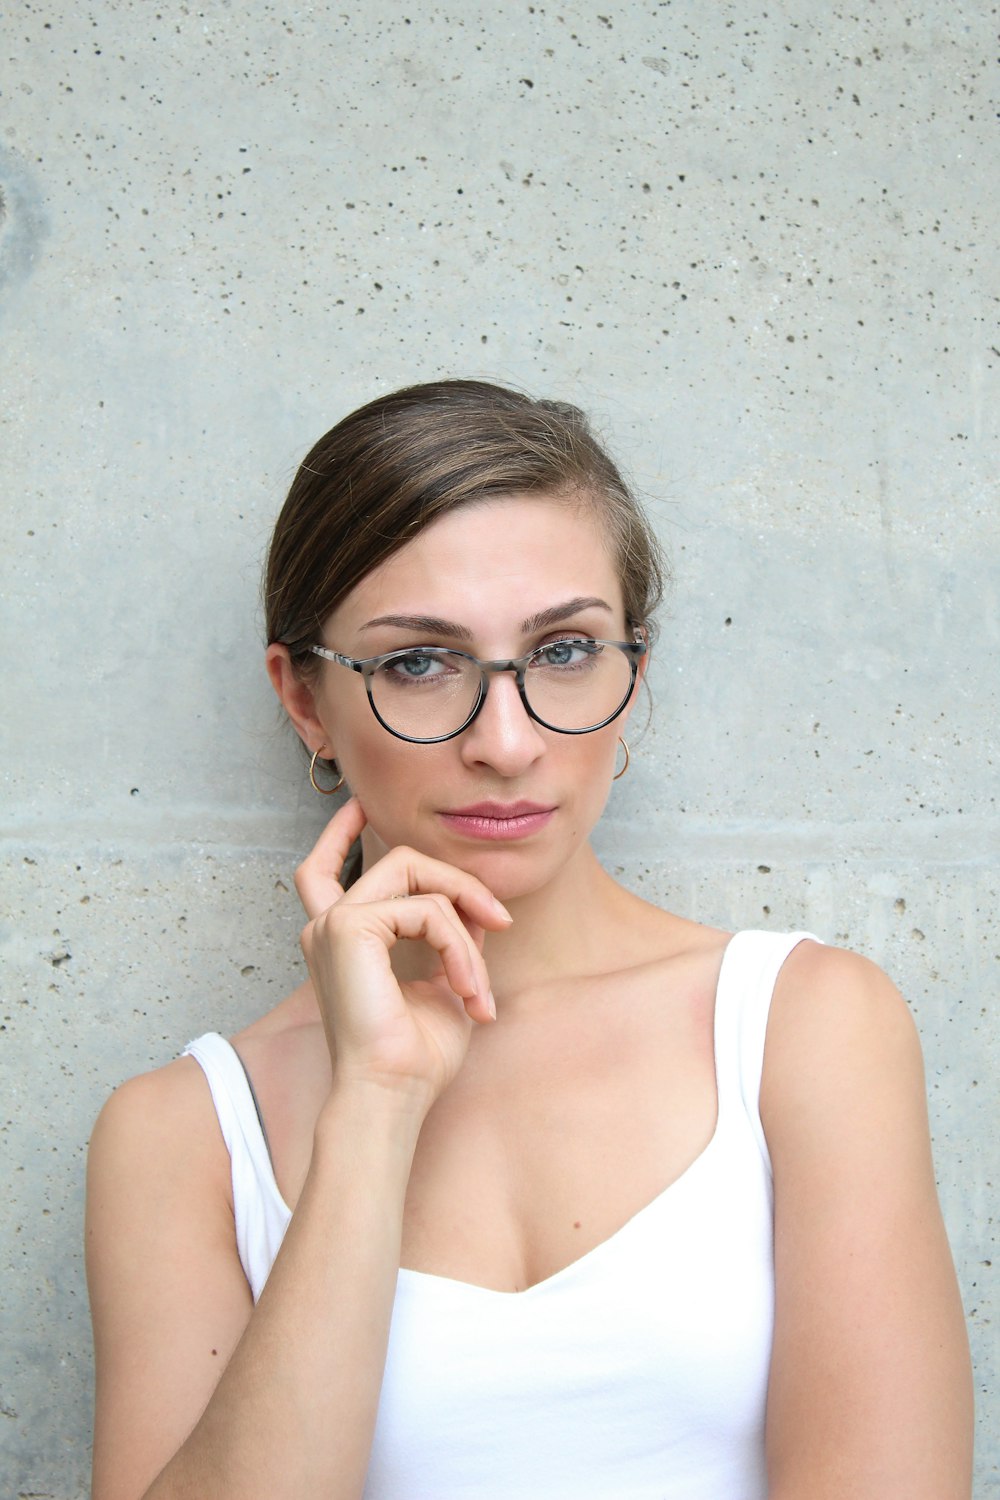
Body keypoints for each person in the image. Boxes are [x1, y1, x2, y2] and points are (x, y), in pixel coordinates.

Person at [85, 379, 973, 1500]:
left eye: (562, 651)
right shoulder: (185, 1137)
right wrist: (375, 1107)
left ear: (633, 671)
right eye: (417, 661)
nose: (505, 743)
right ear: (304, 700)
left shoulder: (803, 1026)